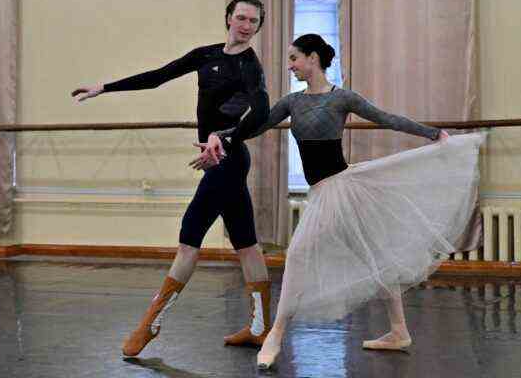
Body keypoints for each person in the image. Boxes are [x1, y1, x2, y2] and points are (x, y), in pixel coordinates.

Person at [192, 33, 485, 369]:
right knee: (371, 256)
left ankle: (275, 335)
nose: (291, 66)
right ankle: (399, 330)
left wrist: (433, 134)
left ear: (312, 58)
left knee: (303, 255)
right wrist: (222, 136)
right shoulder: (292, 102)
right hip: (323, 192)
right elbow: (253, 128)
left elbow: (386, 118)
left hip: (343, 188)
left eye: (294, 59)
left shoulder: (341, 98)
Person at [72, 0, 274, 357]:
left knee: (188, 240)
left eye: (253, 22)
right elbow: (158, 77)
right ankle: (260, 328)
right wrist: (104, 88)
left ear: (258, 27)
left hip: (228, 159)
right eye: (241, 18)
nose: (245, 27)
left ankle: (150, 323)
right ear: (228, 17)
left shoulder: (250, 66)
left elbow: (260, 114)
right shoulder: (206, 55)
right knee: (246, 243)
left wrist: (222, 135)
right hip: (220, 159)